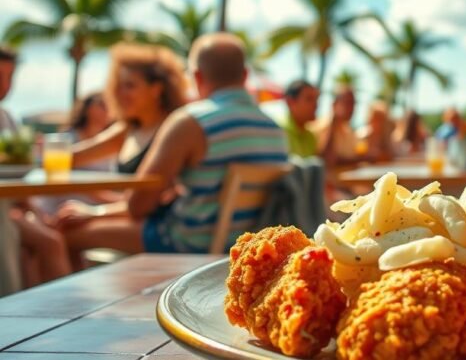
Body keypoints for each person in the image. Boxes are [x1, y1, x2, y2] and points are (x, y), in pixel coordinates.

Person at [58, 33, 289, 256]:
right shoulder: (276, 131)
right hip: (247, 248)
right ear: (245, 75)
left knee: (64, 235)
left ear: (197, 77)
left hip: (185, 243)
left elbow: (138, 206)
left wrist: (94, 212)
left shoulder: (190, 122)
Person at [0, 48, 71, 287]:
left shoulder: (7, 118)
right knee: (48, 242)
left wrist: (34, 210)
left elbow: (16, 174)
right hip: (7, 208)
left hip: (11, 205)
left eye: (10, 77)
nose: (5, 84)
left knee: (45, 240)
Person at [72, 43, 188, 174]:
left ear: (156, 89)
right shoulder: (128, 129)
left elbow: (152, 191)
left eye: (130, 85)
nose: (120, 93)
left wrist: (92, 192)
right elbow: (74, 157)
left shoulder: (174, 129)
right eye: (118, 85)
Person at [312, 85, 360, 168]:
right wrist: (333, 122)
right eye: (347, 103)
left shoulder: (348, 131)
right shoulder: (320, 126)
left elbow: (355, 157)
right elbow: (326, 160)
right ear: (334, 104)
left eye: (353, 103)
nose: (352, 108)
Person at [280, 80, 319, 159]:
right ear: (290, 102)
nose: (316, 105)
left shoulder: (310, 137)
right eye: (309, 99)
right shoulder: (277, 132)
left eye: (316, 99)